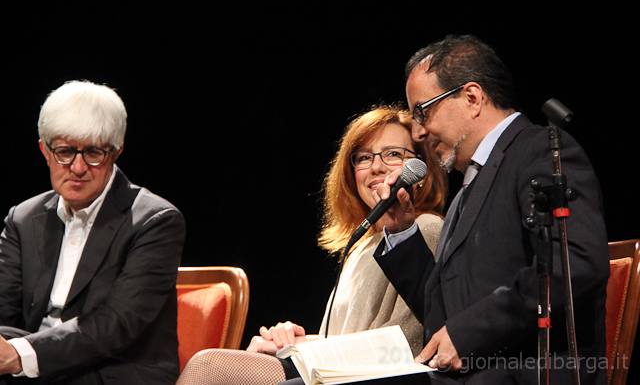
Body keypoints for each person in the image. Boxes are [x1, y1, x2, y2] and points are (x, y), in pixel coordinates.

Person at [370, 35, 609, 384]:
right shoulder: (468, 189)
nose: (418, 132)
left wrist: (467, 334)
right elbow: (443, 314)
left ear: (472, 98)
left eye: (422, 111)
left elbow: (575, 265)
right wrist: (402, 231)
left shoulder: (542, 151)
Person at [176, 105, 447, 385]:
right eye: (364, 157)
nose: (376, 167)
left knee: (208, 366)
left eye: (393, 154)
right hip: (340, 372)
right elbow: (344, 339)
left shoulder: (425, 228)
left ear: (420, 171)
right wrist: (290, 340)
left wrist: (303, 347)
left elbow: (405, 341)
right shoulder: (361, 245)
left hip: (377, 378)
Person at [0, 80, 186, 385]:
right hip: (37, 368)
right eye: (64, 152)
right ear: (45, 150)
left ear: (116, 152)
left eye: (93, 153)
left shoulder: (155, 221)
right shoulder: (23, 218)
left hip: (114, 369)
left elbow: (117, 323)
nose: (77, 167)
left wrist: (21, 355)